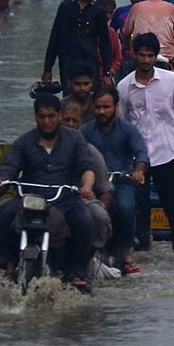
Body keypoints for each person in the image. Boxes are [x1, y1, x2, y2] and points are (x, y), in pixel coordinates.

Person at [0, 95, 97, 293]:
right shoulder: (23, 142)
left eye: (51, 116)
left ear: (59, 115)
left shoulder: (75, 139)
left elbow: (87, 167)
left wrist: (87, 186)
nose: (47, 121)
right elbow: (8, 170)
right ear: (36, 117)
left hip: (65, 198)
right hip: (30, 197)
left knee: (84, 220)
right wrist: (0, 182)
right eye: (42, 117)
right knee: (3, 213)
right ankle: (8, 268)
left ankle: (77, 272)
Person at [117, 32, 174, 253]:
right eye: (141, 55)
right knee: (139, 205)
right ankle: (143, 247)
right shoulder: (124, 87)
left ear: (156, 56)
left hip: (166, 152)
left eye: (149, 55)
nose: (145, 60)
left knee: (172, 204)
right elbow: (122, 125)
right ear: (134, 55)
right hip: (137, 158)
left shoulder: (172, 81)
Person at [81, 87, 148, 273]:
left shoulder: (128, 129)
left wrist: (138, 171)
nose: (101, 111)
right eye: (98, 107)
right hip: (95, 184)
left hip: (122, 182)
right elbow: (76, 153)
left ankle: (126, 253)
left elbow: (141, 153)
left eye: (106, 107)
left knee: (126, 208)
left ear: (116, 107)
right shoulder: (85, 130)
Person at [60, 100, 114, 267]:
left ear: (81, 123)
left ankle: (85, 262)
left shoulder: (90, 152)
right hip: (49, 198)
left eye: (74, 121)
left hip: (81, 200)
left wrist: (100, 207)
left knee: (99, 217)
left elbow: (105, 191)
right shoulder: (43, 144)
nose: (70, 125)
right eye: (66, 120)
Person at [43, 0, 114, 91]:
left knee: (89, 100)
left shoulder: (98, 11)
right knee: (69, 100)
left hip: (90, 62)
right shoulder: (65, 7)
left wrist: (107, 72)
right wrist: (48, 68)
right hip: (67, 63)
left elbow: (105, 43)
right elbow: (55, 38)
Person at [96, 0, 124, 80]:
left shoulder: (111, 33)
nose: (108, 16)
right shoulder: (87, 32)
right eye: (105, 12)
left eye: (111, 13)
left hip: (106, 77)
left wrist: (110, 72)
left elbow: (118, 57)